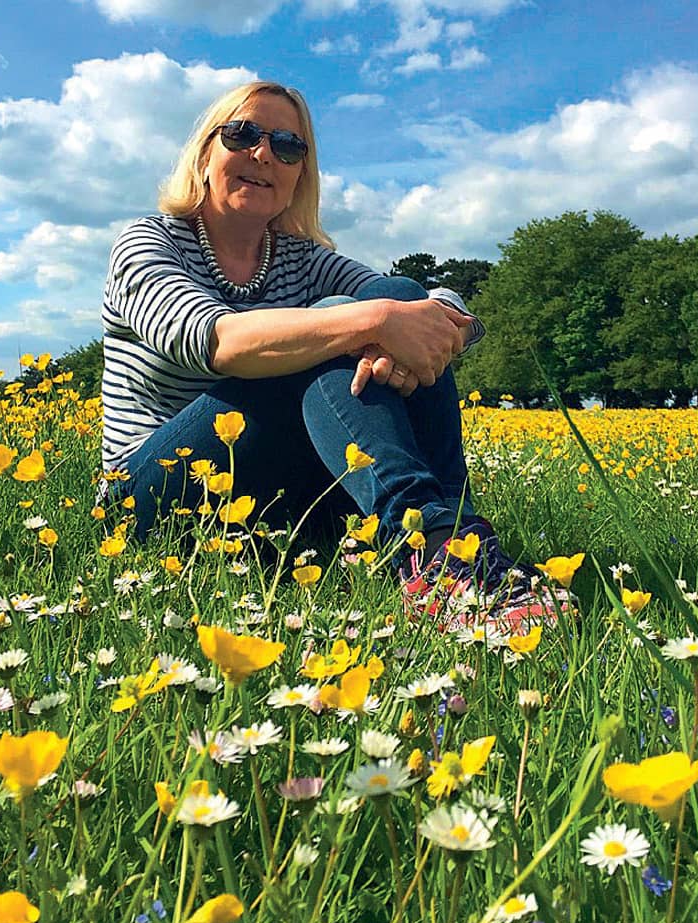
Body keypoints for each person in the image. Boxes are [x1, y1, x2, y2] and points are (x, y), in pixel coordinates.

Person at [100, 80, 566, 634]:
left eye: (288, 146)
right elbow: (217, 340)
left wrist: (421, 330)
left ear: (300, 174)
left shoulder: (302, 259)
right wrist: (372, 326)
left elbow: (423, 303)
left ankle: (450, 549)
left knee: (390, 293)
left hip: (277, 502)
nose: (264, 153)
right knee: (341, 322)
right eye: (242, 134)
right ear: (206, 154)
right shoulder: (149, 242)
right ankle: (439, 548)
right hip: (157, 500)